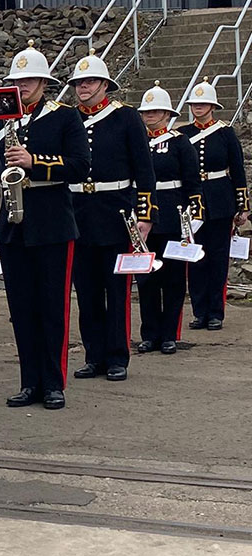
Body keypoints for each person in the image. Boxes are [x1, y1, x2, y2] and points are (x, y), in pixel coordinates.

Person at [0, 41, 89, 409]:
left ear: (44, 83)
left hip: (51, 221)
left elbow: (80, 166)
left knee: (52, 306)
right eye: (17, 80)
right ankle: (29, 382)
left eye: (29, 80)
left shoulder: (65, 117)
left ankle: (53, 383)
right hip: (11, 224)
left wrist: (34, 161)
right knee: (22, 308)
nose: (22, 85)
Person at [67, 50, 156, 383]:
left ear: (105, 84)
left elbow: (144, 169)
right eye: (79, 82)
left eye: (90, 81)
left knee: (116, 292)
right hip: (78, 213)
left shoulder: (126, 117)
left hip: (116, 212)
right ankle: (94, 355)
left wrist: (145, 214)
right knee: (87, 291)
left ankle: (118, 356)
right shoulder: (69, 118)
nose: (83, 87)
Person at [136, 82, 202, 354]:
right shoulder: (137, 141)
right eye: (146, 111)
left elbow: (192, 181)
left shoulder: (179, 142)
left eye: (155, 111)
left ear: (167, 114)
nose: (149, 115)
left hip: (172, 214)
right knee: (147, 278)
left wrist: (194, 213)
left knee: (173, 279)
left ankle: (169, 334)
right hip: (143, 216)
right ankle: (149, 333)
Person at [178, 78, 249, 331]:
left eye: (203, 103)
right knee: (195, 256)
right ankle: (199, 311)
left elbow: (238, 170)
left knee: (218, 258)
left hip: (220, 199)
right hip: (192, 201)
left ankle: (216, 312)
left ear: (212, 106)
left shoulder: (225, 133)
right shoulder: (184, 134)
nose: (198, 107)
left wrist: (242, 206)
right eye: (195, 103)